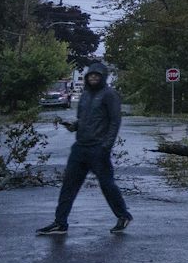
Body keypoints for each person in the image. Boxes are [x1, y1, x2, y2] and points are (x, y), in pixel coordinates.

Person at [37, 59, 132, 235]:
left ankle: (123, 216)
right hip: (80, 148)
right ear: (87, 77)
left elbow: (114, 122)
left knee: (107, 185)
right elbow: (83, 120)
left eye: (97, 76)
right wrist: (72, 125)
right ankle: (60, 223)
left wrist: (106, 146)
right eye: (91, 75)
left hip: (98, 148)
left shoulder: (109, 95)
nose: (93, 78)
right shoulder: (85, 95)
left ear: (103, 77)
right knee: (68, 185)